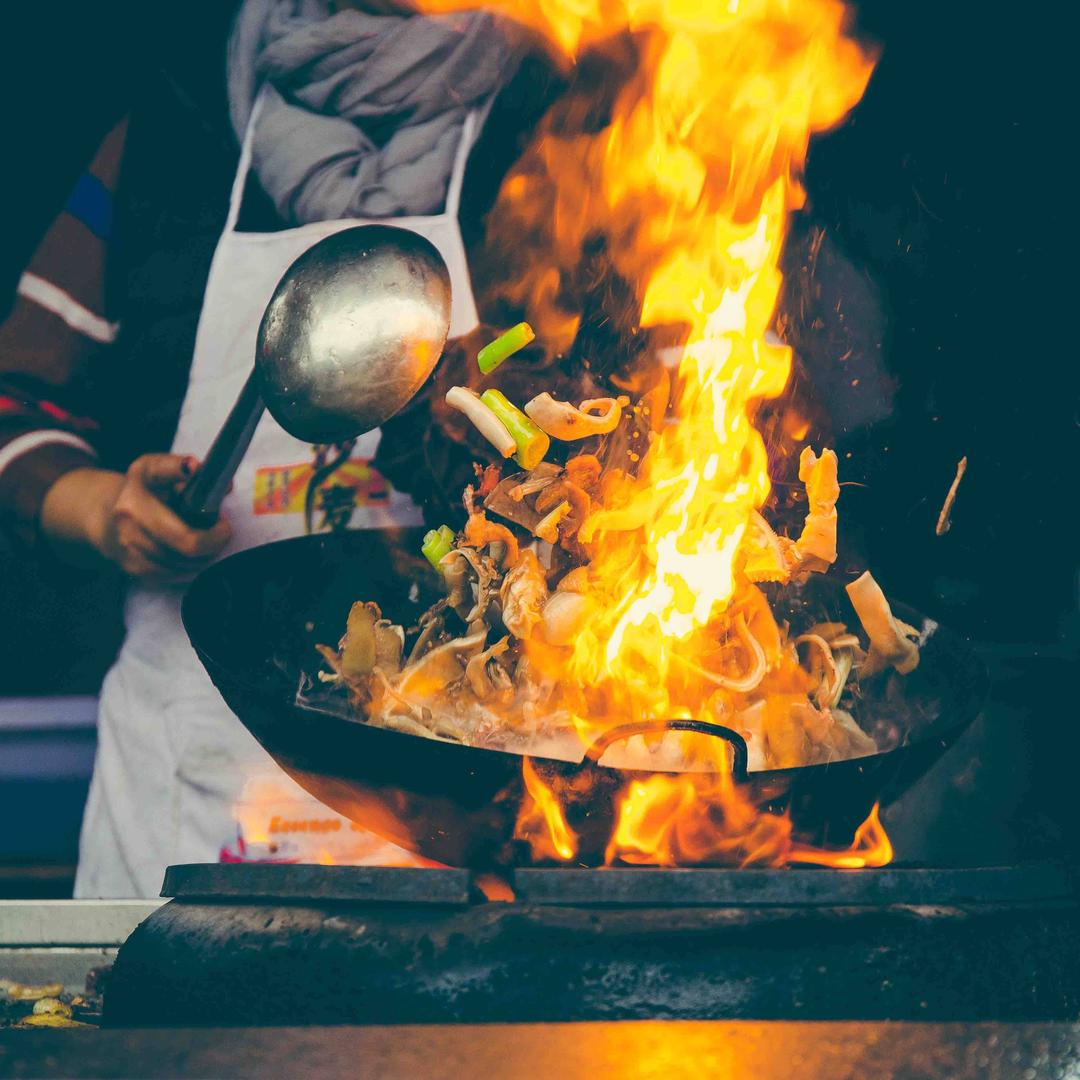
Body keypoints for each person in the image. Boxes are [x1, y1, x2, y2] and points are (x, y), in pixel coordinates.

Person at [0, 1, 522, 897]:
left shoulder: (563, 123)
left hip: (465, 804)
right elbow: (18, 402)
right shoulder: (177, 124)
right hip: (187, 785)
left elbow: (685, 461)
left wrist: (514, 444)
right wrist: (102, 506)